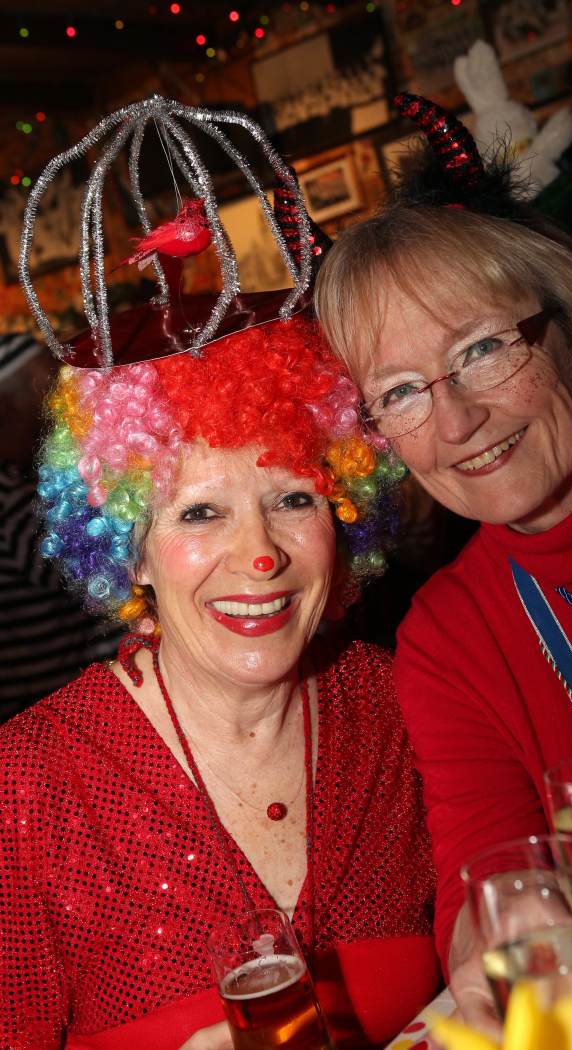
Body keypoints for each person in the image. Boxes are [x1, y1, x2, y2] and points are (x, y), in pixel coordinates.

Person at [0, 97, 440, 1050]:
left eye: (293, 498)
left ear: (345, 507)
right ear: (128, 545)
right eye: (200, 512)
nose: (261, 556)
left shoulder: (409, 709)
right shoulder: (29, 789)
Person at [315, 93, 572, 1024]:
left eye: (482, 349)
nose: (456, 422)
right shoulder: (446, 635)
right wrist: (497, 930)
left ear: (567, 327)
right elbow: (479, 862)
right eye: (400, 392)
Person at [0, 332, 122, 719]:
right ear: (7, 408)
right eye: (48, 397)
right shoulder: (10, 498)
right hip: (45, 713)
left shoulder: (19, 483)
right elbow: (101, 584)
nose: (61, 415)